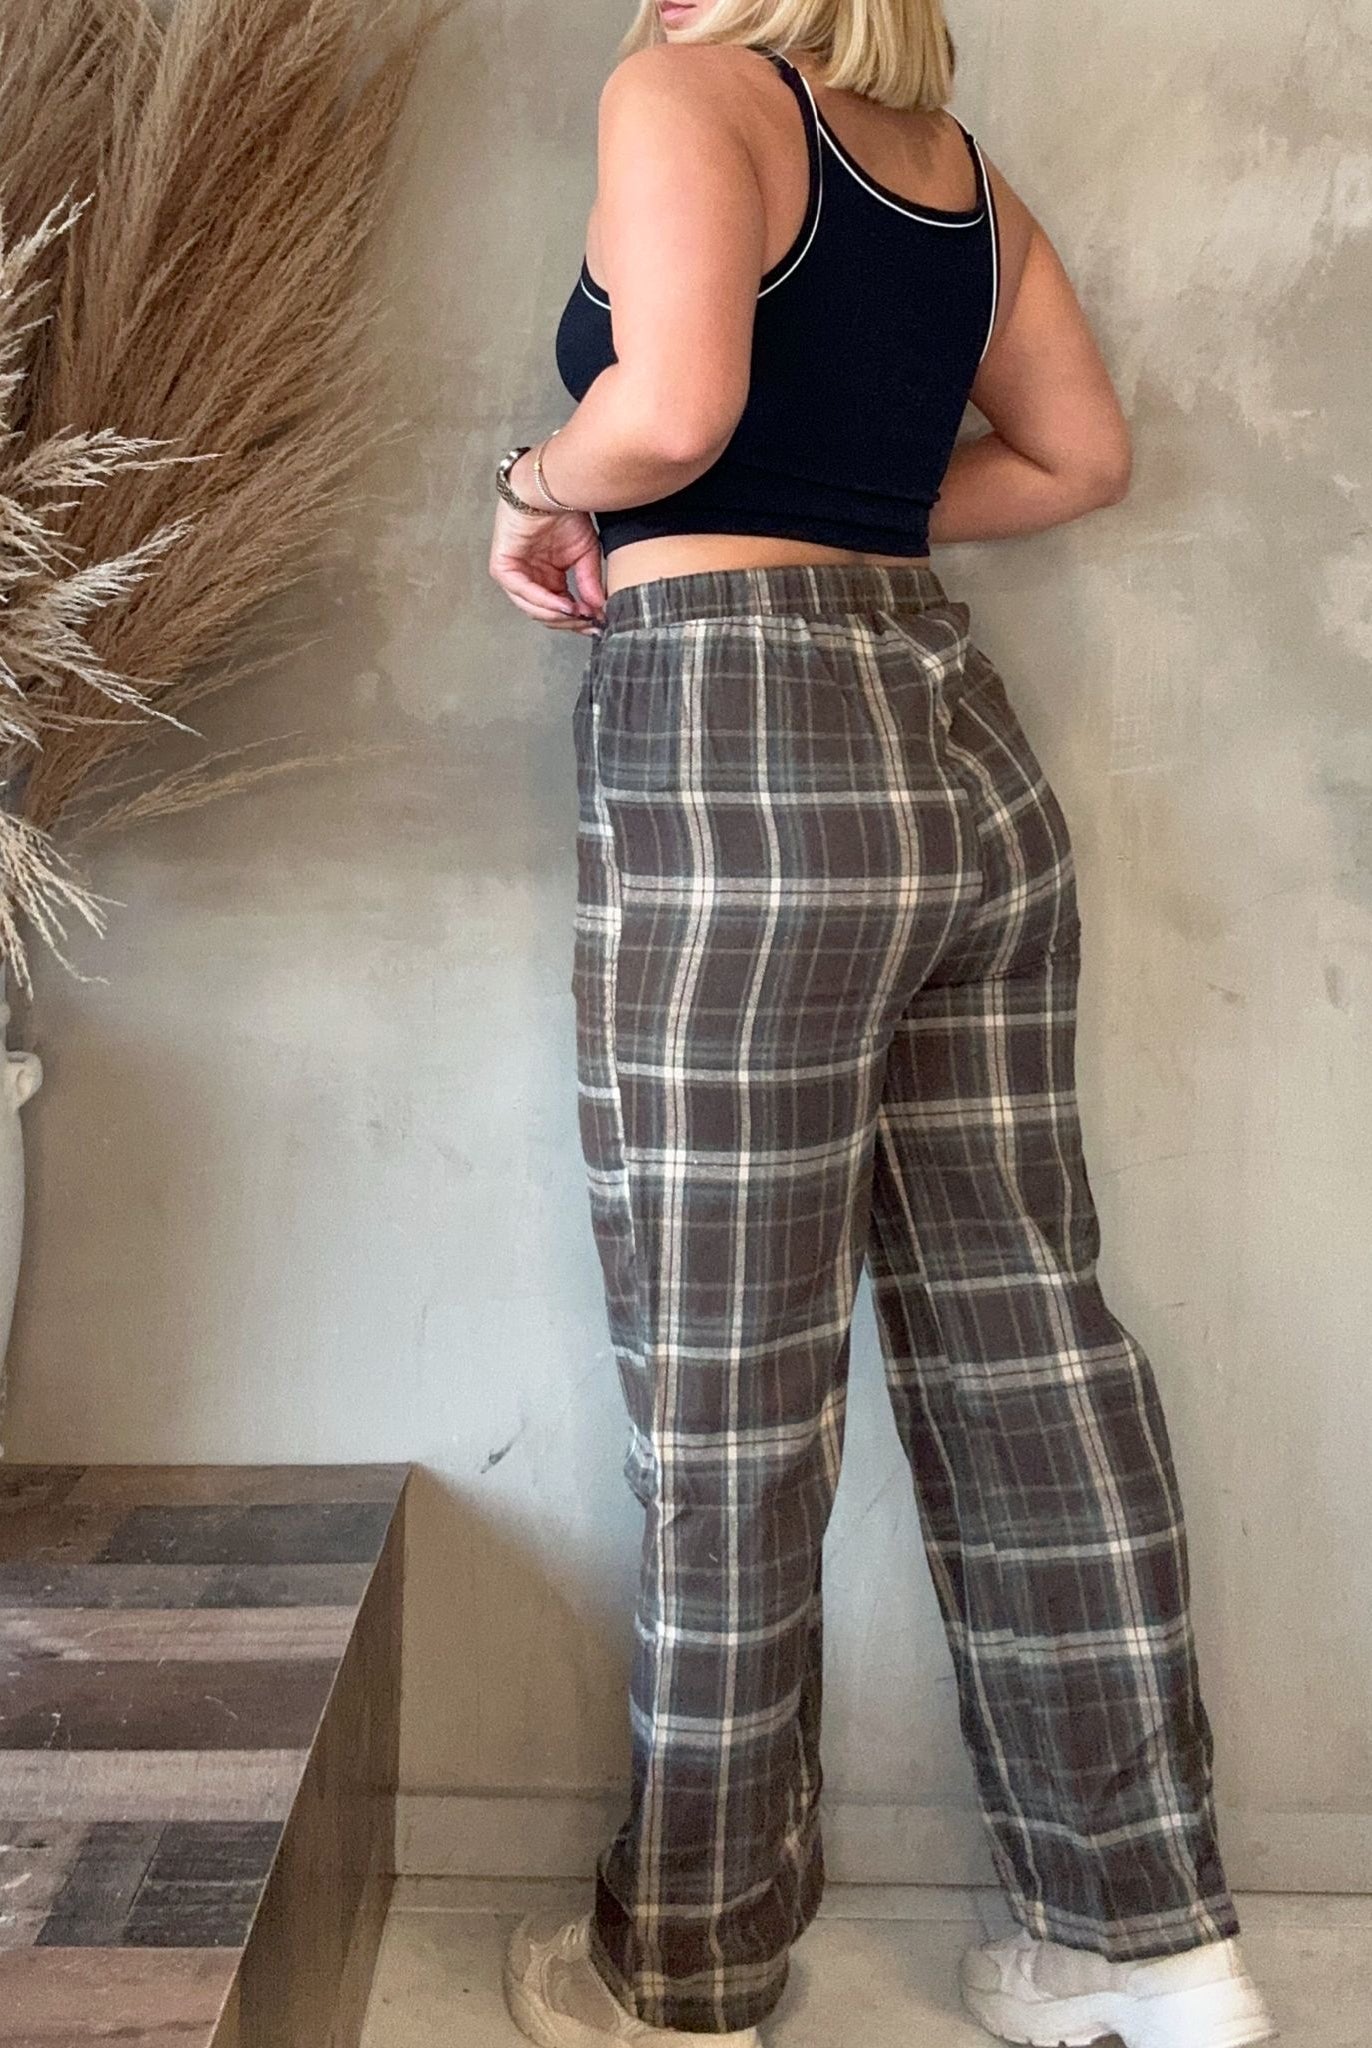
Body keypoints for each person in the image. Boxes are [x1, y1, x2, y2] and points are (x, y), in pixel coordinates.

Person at [488, 4, 1278, 2044]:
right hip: (955, 750)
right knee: (1032, 1351)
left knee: (731, 1395)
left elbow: (667, 413)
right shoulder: (952, 173)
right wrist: (855, 504)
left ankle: (688, 1969)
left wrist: (533, 485)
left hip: (737, 754)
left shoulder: (683, 91)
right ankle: (1141, 1944)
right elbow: (1079, 456)